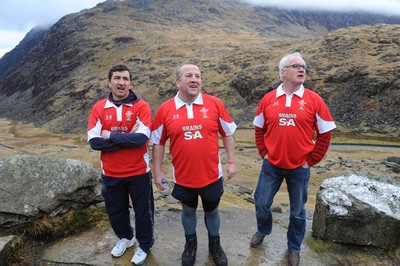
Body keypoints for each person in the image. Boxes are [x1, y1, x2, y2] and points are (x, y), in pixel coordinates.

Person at [250, 52, 336, 266]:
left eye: (303, 66)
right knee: (261, 203)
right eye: (296, 66)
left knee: (297, 212)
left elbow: (325, 133)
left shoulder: (314, 100)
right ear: (282, 72)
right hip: (272, 165)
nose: (301, 69)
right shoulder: (268, 99)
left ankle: (294, 248)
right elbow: (259, 128)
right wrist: (264, 153)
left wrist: (311, 160)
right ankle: (263, 229)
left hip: (300, 167)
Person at [150, 63, 237, 266]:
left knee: (213, 211)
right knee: (187, 211)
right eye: (189, 76)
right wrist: (157, 170)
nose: (194, 79)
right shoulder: (165, 109)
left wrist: (231, 161)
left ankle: (215, 245)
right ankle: (190, 244)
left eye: (198, 76)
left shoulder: (214, 103)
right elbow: (159, 142)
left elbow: (228, 133)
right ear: (178, 82)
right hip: (183, 177)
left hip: (212, 175)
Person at [87, 64, 154, 265]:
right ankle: (126, 238)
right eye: (117, 78)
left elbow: (141, 139)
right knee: (116, 212)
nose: (121, 83)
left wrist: (111, 136)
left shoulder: (141, 107)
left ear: (130, 83)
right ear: (109, 82)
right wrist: (126, 138)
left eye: (125, 79)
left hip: (139, 172)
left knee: (143, 212)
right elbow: (94, 142)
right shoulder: (99, 108)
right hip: (111, 173)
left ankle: (144, 245)